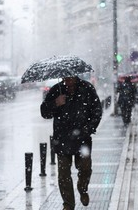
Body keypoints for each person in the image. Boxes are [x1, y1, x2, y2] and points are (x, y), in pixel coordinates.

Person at [40, 76, 103, 210]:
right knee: (64, 175)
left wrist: (88, 128)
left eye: (70, 78)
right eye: (65, 78)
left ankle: (82, 188)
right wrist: (56, 103)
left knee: (85, 168)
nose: (67, 81)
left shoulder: (87, 89)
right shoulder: (57, 90)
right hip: (62, 139)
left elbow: (97, 110)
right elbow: (44, 112)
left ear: (75, 77)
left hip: (82, 139)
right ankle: (68, 204)